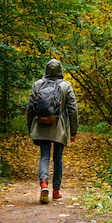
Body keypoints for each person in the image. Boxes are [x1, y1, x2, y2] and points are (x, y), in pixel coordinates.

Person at [27, 59, 78, 203]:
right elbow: (73, 110)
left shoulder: (37, 85)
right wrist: (73, 131)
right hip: (59, 128)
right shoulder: (66, 86)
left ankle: (44, 183)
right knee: (58, 158)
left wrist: (30, 127)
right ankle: (56, 191)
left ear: (47, 70)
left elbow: (30, 108)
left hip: (41, 127)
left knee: (44, 155)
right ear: (60, 70)